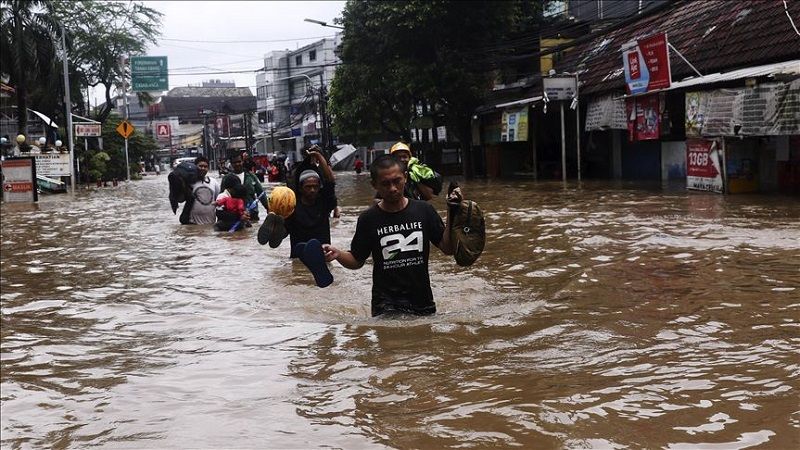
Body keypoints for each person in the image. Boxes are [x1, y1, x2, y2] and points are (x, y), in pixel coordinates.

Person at [323, 154, 460, 317]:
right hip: (385, 304)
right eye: (385, 184)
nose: (393, 188)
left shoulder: (424, 211)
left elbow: (448, 248)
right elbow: (357, 260)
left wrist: (453, 211)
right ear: (374, 185)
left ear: (406, 178)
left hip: (422, 301)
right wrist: (338, 254)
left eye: (397, 181)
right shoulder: (368, 219)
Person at [281, 149, 337, 257]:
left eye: (315, 187)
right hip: (299, 260)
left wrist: (319, 156)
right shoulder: (292, 207)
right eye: (308, 187)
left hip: (322, 258)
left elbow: (330, 181)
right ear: (301, 188)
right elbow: (282, 234)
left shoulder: (324, 203)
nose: (312, 190)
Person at [179, 156, 220, 225]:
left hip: (210, 223)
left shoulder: (214, 182)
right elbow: (180, 199)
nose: (203, 168)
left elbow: (219, 202)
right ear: (195, 167)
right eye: (200, 166)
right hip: (192, 224)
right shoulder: (189, 182)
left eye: (205, 166)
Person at [230, 154, 268, 222]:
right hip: (235, 216)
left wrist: (268, 208)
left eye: (239, 161)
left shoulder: (251, 176)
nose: (237, 164)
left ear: (242, 162)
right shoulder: (227, 179)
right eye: (234, 162)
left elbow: (261, 193)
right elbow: (222, 198)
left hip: (252, 214)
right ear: (231, 164)